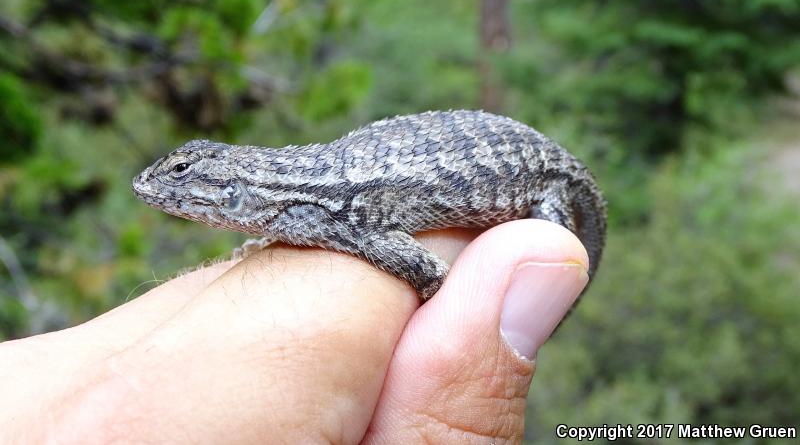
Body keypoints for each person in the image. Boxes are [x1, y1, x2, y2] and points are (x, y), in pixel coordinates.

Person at [0, 219, 589, 443]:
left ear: (236, 195)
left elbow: (426, 272)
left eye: (186, 183)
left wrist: (471, 319)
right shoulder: (317, 214)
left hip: (536, 177)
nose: (162, 197)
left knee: (554, 246)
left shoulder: (330, 213)